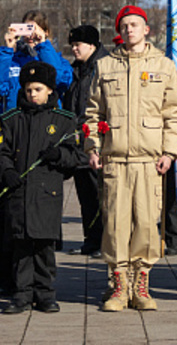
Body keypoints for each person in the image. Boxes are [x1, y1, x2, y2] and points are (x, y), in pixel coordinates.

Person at [84, 5, 177, 312]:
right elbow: (93, 113)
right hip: (115, 160)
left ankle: (141, 285)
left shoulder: (163, 65)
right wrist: (93, 147)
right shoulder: (105, 66)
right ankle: (119, 286)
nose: (129, 30)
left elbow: (172, 113)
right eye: (124, 26)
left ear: (146, 29)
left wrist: (169, 152)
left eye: (135, 25)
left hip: (149, 161)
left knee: (147, 225)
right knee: (115, 225)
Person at [0, 60, 83, 314]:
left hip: (46, 193)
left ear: (50, 90)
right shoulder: (12, 119)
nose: (33, 94)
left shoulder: (64, 120)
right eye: (28, 90)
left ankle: (45, 293)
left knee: (44, 246)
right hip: (19, 193)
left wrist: (59, 155)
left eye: (38, 89)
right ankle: (21, 294)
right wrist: (7, 171)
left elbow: (75, 156)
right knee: (21, 247)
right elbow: (1, 151)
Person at [64, 24, 107, 257]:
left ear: (91, 45)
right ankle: (91, 240)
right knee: (86, 196)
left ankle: (104, 242)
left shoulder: (104, 67)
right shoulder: (76, 70)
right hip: (78, 140)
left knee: (100, 194)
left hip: (97, 140)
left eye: (77, 45)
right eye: (72, 45)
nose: (74, 49)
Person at [0, 11, 74, 114]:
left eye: (34, 30)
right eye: (27, 30)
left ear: (46, 32)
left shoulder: (59, 61)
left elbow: (60, 81)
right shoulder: (11, 61)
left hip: (47, 118)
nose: (30, 36)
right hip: (15, 119)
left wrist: (43, 45)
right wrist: (7, 50)